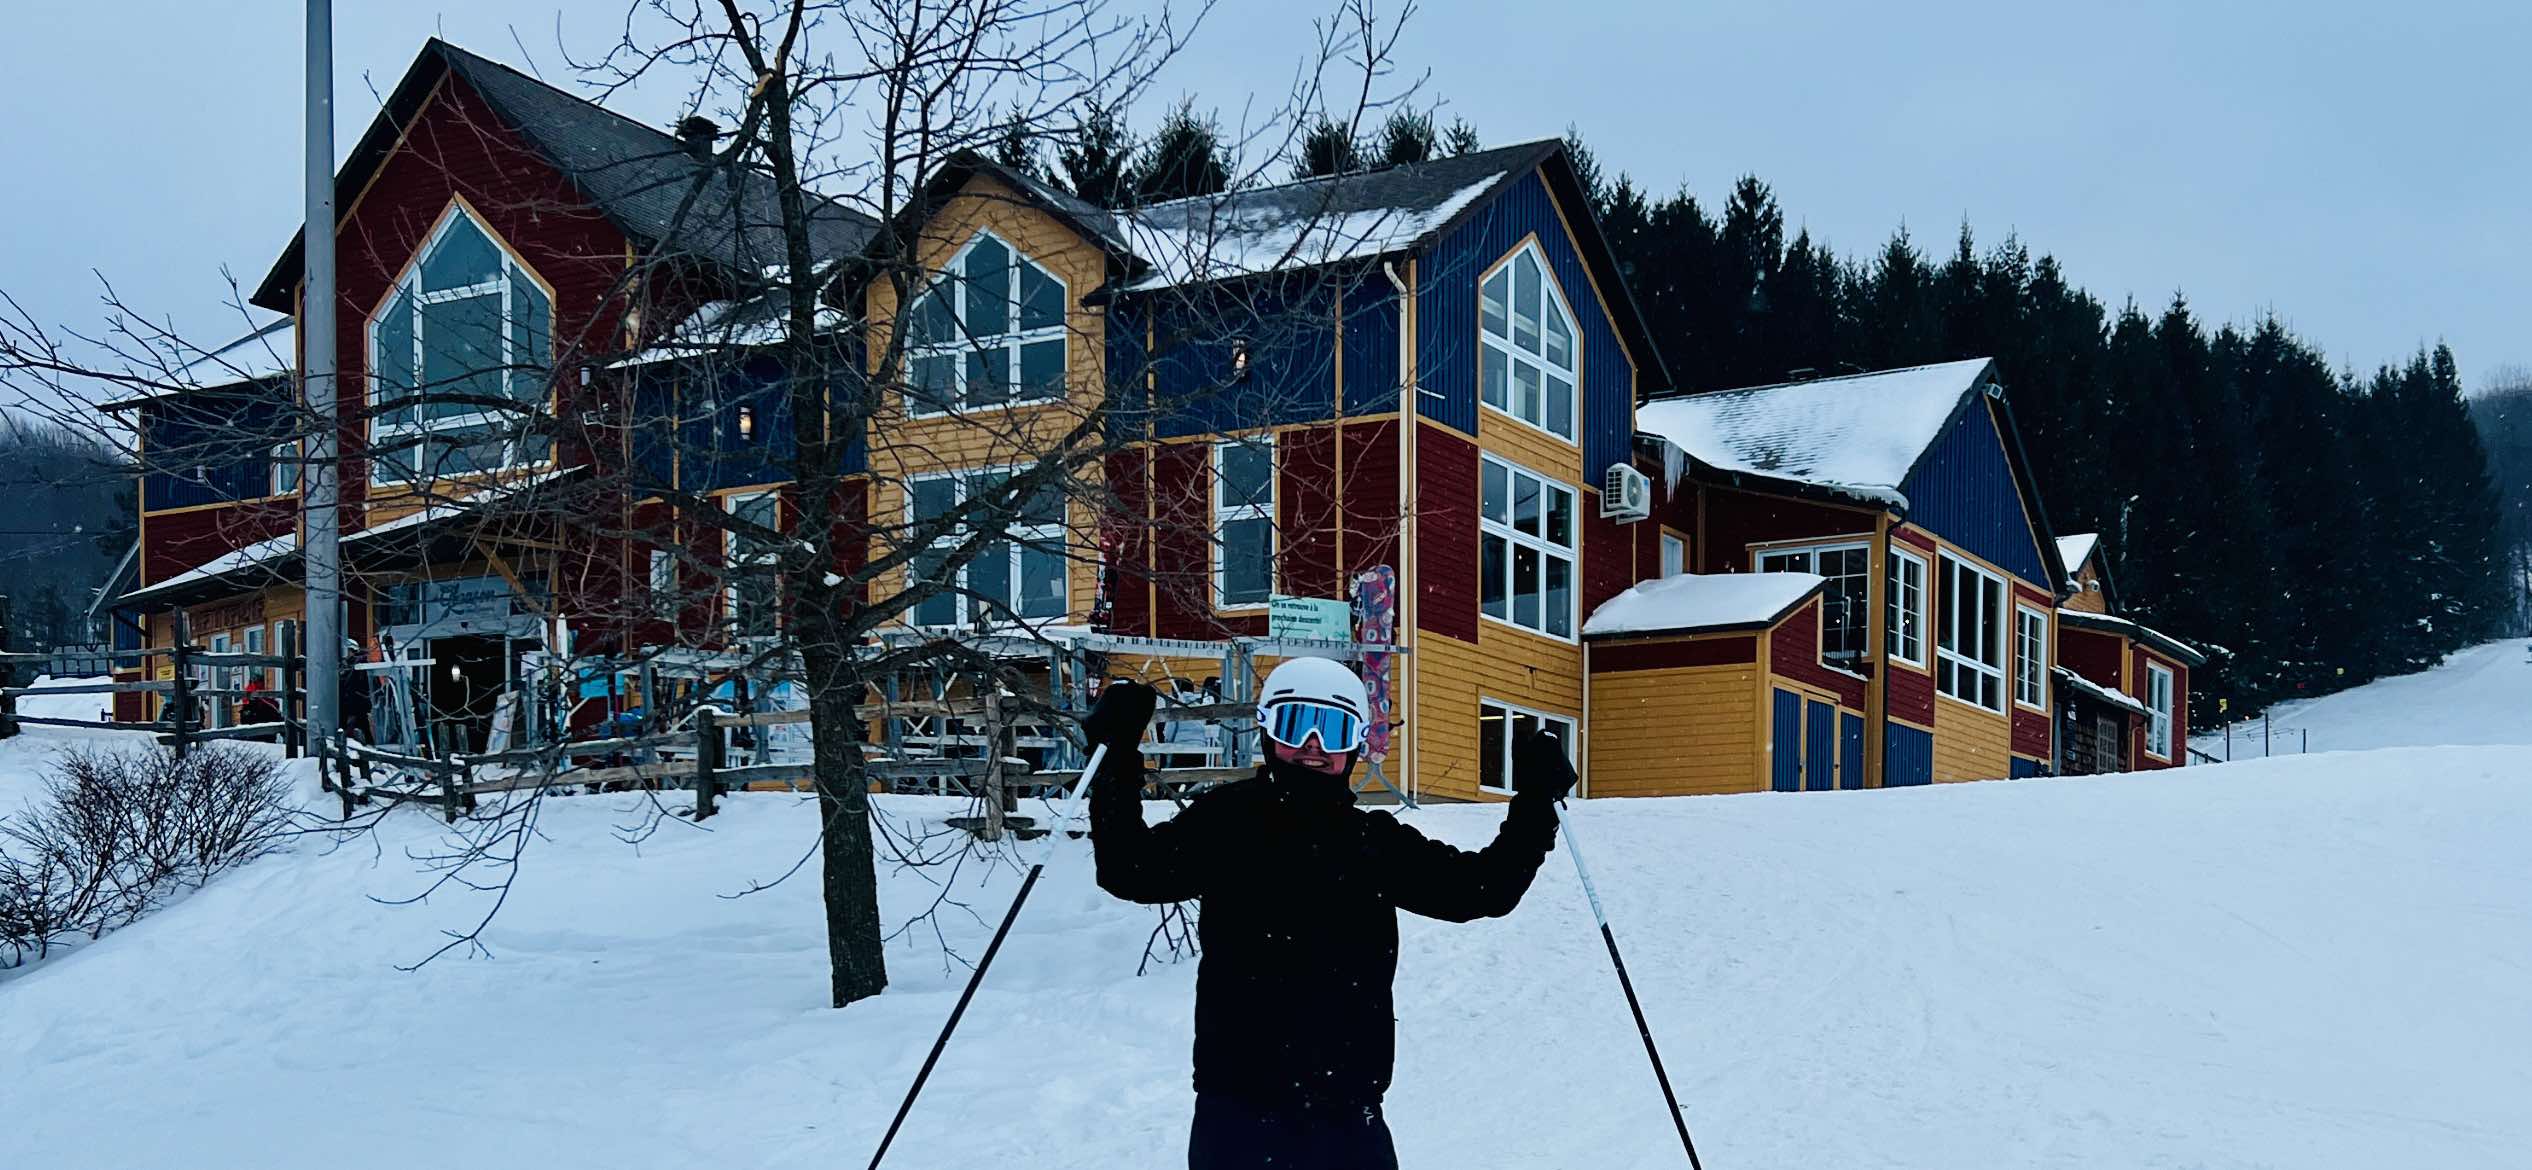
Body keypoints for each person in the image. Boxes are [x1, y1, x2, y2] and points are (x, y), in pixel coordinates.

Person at [1084, 656, 1577, 1170]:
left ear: (1355, 744)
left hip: (1345, 1114)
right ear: (1268, 731)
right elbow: (1130, 869)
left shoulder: (1372, 843)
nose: (1313, 744)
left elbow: (1482, 890)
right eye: (1297, 724)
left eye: (1334, 728)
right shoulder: (1226, 822)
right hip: (1237, 1111)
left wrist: (1536, 804)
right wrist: (1115, 756)